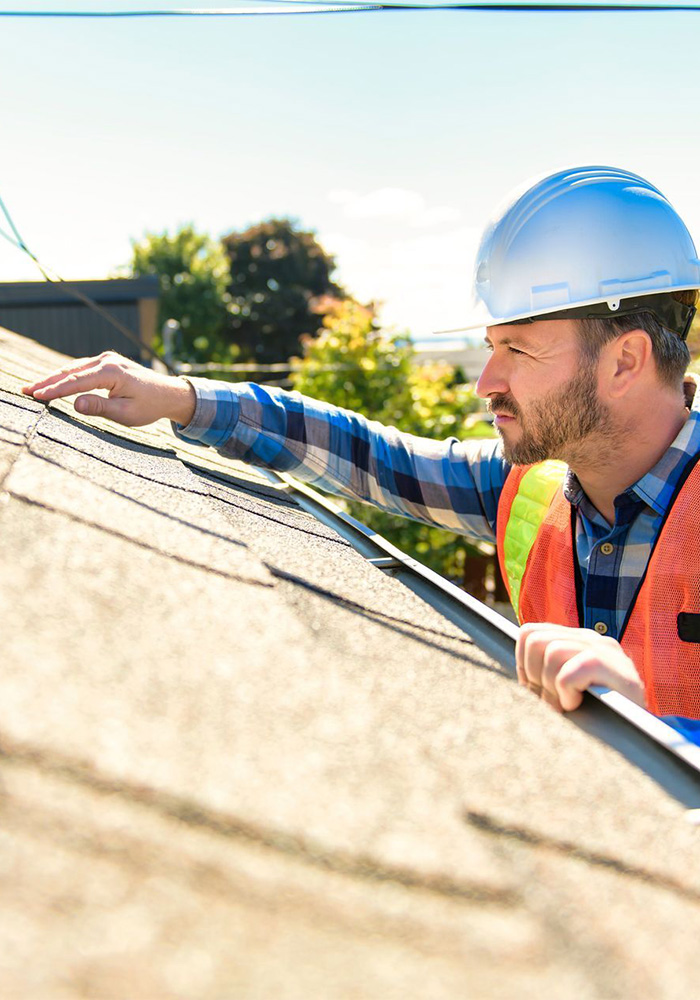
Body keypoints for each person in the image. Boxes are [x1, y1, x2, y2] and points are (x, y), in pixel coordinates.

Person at [23, 165, 700, 721]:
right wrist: (187, 398)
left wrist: (659, 735)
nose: (484, 383)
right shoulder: (530, 491)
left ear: (624, 362)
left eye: (517, 349)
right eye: (490, 348)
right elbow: (374, 458)